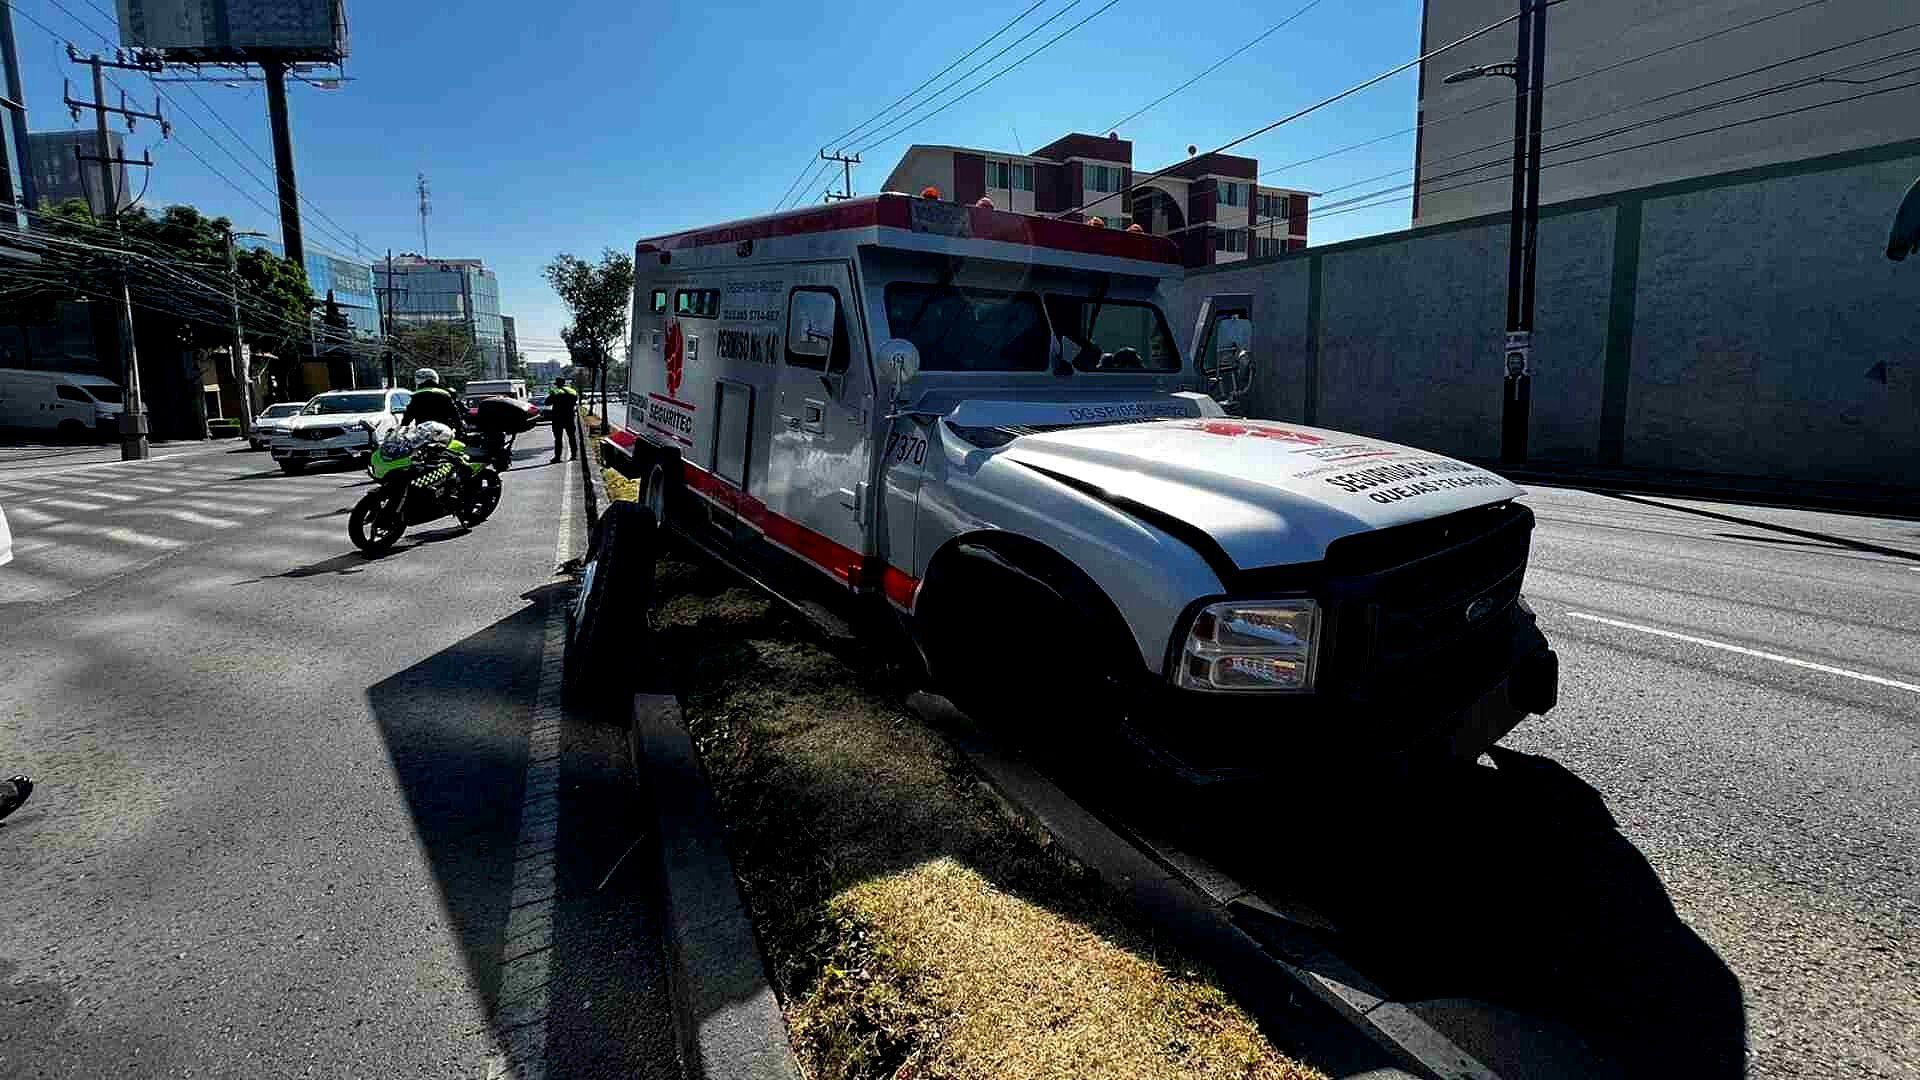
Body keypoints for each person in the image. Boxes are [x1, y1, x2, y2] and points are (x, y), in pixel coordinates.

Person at [547, 376, 580, 463]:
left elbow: (547, 402)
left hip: (558, 418)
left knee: (558, 439)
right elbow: (575, 401)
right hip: (569, 417)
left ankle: (557, 457)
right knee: (572, 437)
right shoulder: (572, 391)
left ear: (557, 384)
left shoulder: (555, 391)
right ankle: (574, 455)